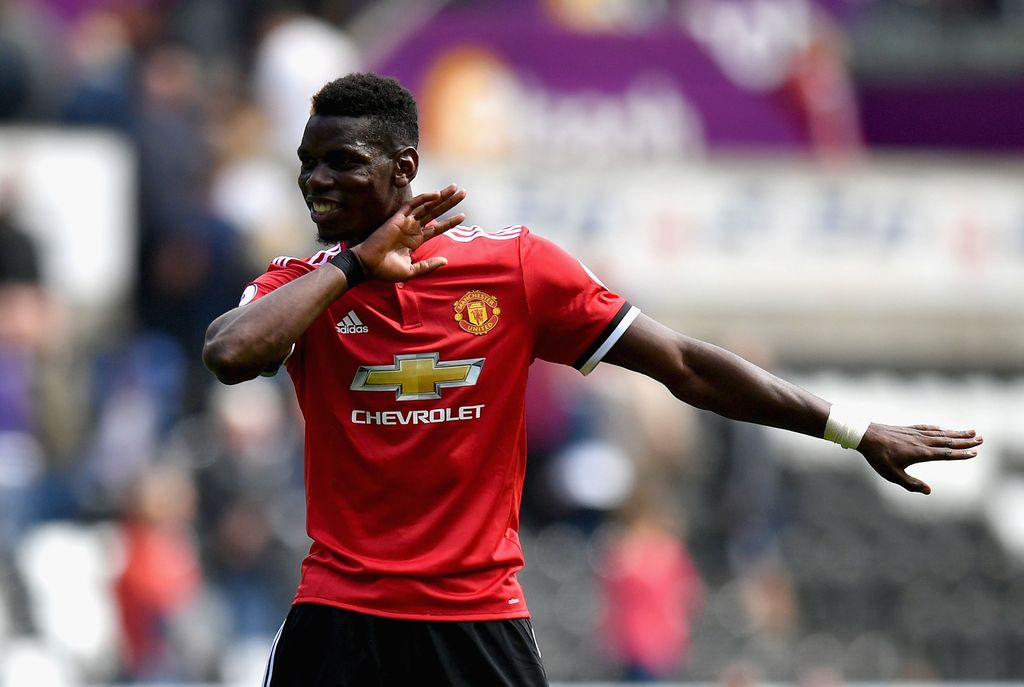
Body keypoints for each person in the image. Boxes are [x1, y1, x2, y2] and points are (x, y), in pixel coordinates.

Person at [202, 73, 982, 686]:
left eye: (342, 161)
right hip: (341, 616)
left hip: (476, 618)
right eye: (308, 163)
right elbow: (230, 355)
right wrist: (350, 269)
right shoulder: (300, 283)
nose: (317, 180)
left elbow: (683, 364)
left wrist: (851, 429)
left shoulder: (512, 268)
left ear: (405, 167)